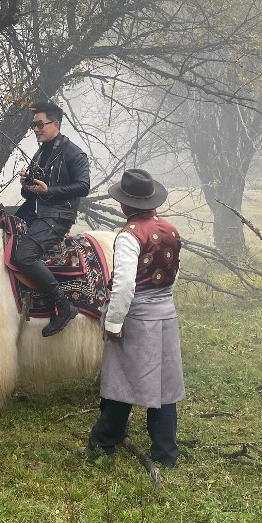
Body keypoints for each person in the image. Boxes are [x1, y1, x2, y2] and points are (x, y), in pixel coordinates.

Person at [88, 168, 185, 466]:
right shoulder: (171, 229)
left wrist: (114, 323)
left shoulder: (129, 236)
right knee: (164, 385)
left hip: (137, 315)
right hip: (165, 313)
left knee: (122, 380)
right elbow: (173, 273)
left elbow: (124, 284)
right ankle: (166, 452)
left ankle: (104, 442)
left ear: (125, 205)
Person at [14, 101, 90, 337]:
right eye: (33, 125)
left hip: (58, 216)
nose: (35, 129)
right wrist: (27, 185)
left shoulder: (74, 153)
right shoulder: (40, 151)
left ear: (55, 124)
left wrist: (50, 191)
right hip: (35, 212)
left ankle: (63, 305)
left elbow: (84, 186)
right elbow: (31, 193)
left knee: (24, 256)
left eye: (39, 124)